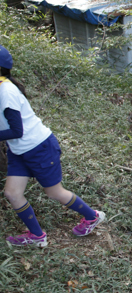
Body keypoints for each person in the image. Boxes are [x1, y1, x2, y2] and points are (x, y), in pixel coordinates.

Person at [0, 45, 105, 247]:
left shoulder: (7, 91)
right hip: (19, 151)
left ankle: (92, 216)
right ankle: (37, 237)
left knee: (54, 192)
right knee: (12, 193)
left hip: (39, 147)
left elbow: (16, 130)